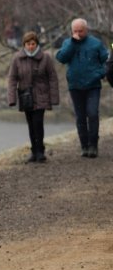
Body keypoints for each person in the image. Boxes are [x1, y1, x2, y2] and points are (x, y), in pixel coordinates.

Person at [55, 18, 109, 158]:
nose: (78, 33)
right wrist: (73, 43)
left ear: (86, 30)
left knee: (92, 113)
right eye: (75, 31)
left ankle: (93, 145)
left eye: (81, 31)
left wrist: (99, 74)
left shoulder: (96, 43)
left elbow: (107, 62)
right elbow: (61, 58)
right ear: (71, 31)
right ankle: (84, 146)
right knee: (80, 117)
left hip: (93, 85)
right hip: (75, 85)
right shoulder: (68, 43)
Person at [7, 31, 60, 163]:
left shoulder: (46, 58)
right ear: (24, 45)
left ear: (36, 44)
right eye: (28, 44)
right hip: (26, 97)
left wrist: (54, 98)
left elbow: (53, 78)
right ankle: (33, 151)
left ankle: (40, 151)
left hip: (41, 95)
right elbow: (12, 79)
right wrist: (12, 98)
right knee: (30, 125)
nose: (30, 47)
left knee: (38, 123)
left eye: (33, 44)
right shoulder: (17, 58)